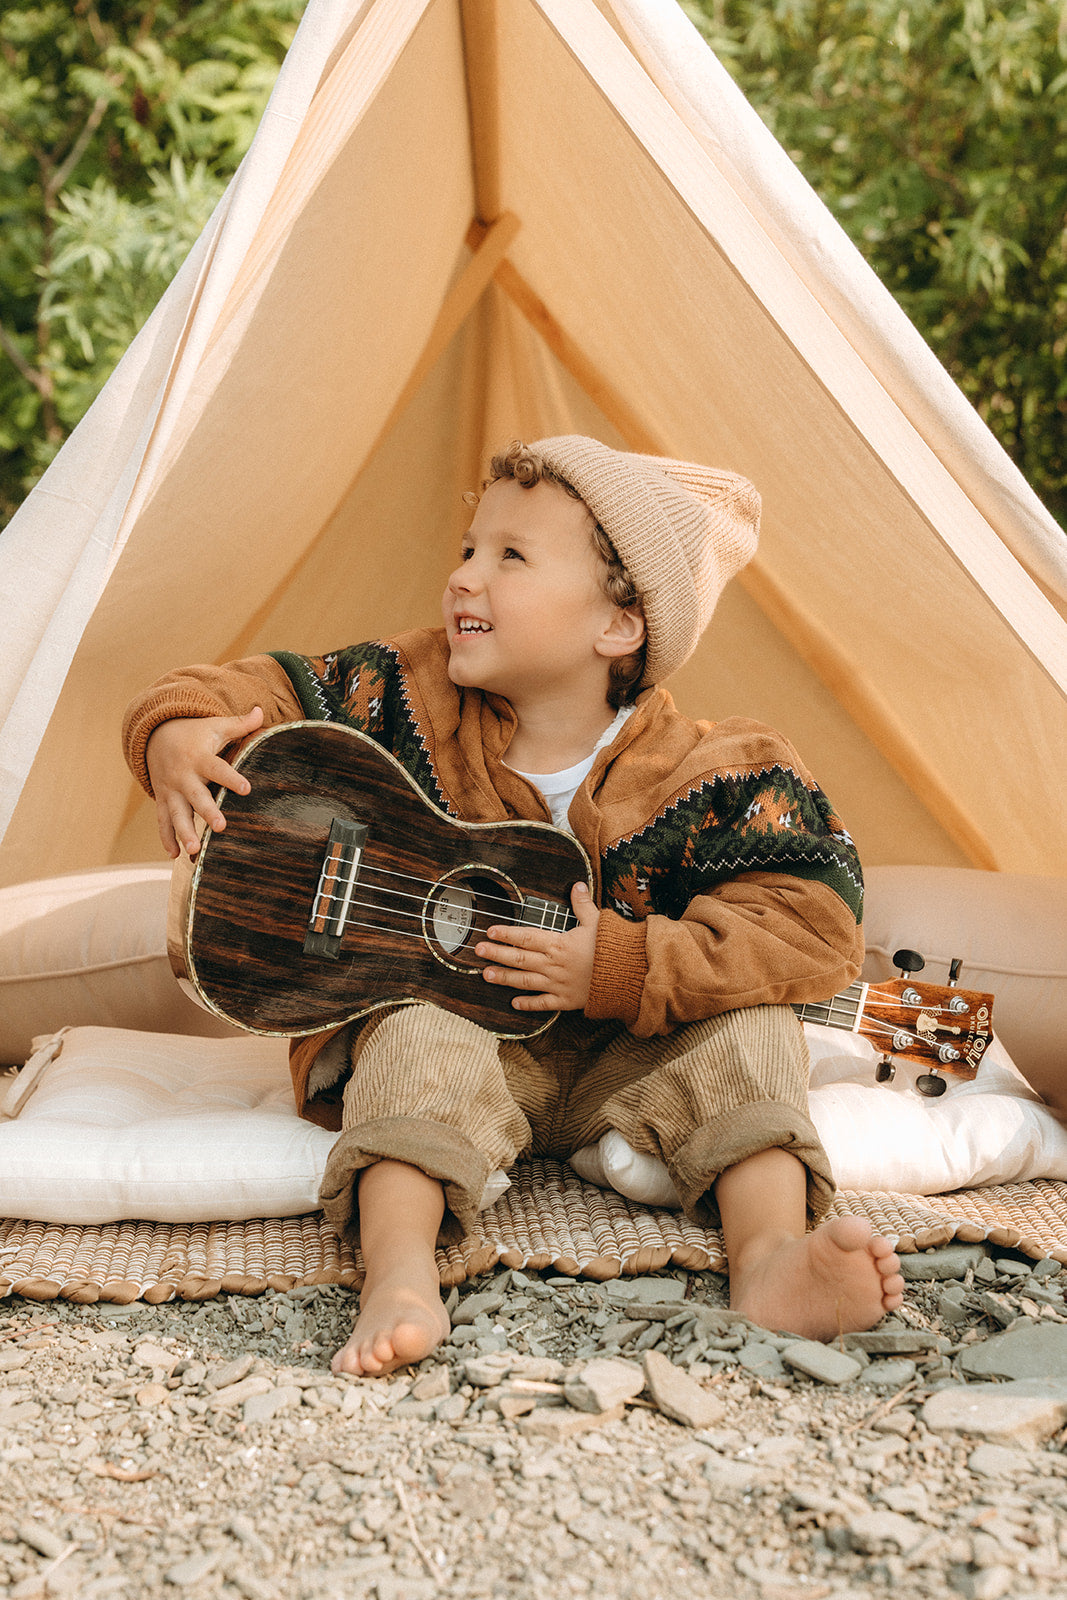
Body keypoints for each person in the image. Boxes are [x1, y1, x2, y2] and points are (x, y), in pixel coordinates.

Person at [123, 435, 904, 1376]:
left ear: (619, 625)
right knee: (412, 1035)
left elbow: (809, 927)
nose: (464, 579)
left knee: (755, 1034)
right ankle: (400, 1275)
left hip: (633, 1054)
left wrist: (616, 964)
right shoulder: (404, 692)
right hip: (468, 1038)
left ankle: (772, 1259)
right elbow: (253, 689)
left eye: (511, 557)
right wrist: (174, 729)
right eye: (467, 549)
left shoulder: (723, 769)